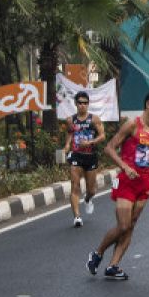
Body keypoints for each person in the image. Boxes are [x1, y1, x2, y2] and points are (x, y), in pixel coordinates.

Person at [87, 90, 149, 281]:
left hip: (145, 184)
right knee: (123, 225)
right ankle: (97, 254)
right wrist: (124, 166)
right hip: (126, 183)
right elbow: (109, 148)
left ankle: (113, 266)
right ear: (148, 104)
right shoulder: (132, 125)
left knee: (131, 226)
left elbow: (147, 158)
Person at [63, 91, 105, 228]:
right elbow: (70, 133)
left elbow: (102, 136)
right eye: (80, 103)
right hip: (76, 155)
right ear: (75, 104)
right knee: (75, 186)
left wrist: (90, 142)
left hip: (90, 156)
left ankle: (87, 199)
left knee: (91, 190)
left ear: (88, 104)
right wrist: (67, 145)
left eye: (85, 103)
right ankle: (77, 217)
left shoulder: (94, 119)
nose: (82, 105)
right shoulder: (71, 120)